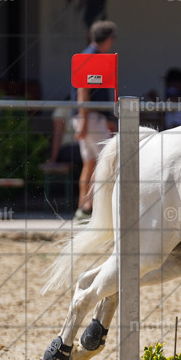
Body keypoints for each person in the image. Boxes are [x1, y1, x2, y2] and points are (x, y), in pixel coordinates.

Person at [72, 20, 117, 223]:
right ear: (108, 39)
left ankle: (83, 207)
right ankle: (94, 208)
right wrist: (84, 118)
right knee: (104, 163)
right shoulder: (93, 57)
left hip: (88, 116)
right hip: (91, 117)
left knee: (89, 163)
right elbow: (84, 88)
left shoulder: (88, 54)